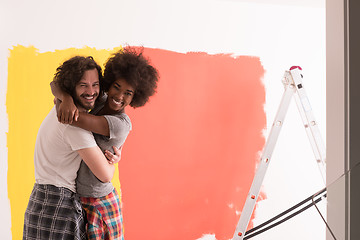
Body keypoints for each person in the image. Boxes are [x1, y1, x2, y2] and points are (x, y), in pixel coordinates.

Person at [52, 47, 159, 240]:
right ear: (108, 84)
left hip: (101, 201)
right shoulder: (101, 100)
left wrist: (61, 102)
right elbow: (54, 84)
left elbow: (74, 119)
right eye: (116, 87)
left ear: (136, 97)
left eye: (128, 93)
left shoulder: (120, 124)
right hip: (80, 199)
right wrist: (66, 97)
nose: (119, 96)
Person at [23, 56, 121, 240]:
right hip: (58, 205)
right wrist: (113, 161)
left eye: (95, 84)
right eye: (83, 85)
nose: (91, 91)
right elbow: (105, 175)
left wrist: (65, 97)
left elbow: (55, 84)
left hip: (39, 200)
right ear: (71, 87)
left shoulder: (59, 109)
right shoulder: (73, 123)